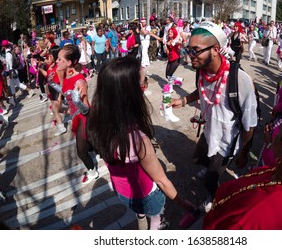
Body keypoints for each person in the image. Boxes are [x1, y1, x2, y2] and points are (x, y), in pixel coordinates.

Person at [87, 56, 196, 230]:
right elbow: (161, 181)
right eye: (143, 82)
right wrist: (183, 203)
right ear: (131, 93)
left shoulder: (96, 122)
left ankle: (140, 213)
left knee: (140, 210)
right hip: (146, 195)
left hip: (121, 191)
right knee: (155, 215)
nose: (145, 85)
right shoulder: (138, 140)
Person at [170, 21, 258, 205]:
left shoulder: (240, 80)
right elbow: (201, 90)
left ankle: (215, 199)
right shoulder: (201, 70)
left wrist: (243, 153)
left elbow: (249, 124)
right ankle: (209, 168)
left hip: (226, 140)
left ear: (216, 49)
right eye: (188, 50)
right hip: (210, 130)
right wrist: (183, 100)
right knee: (198, 157)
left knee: (210, 180)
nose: (189, 55)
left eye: (195, 50)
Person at [52, 44, 98, 184]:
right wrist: (54, 86)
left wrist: (77, 99)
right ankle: (99, 151)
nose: (57, 62)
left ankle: (92, 171)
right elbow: (65, 90)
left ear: (70, 62)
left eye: (60, 59)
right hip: (75, 118)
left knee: (81, 152)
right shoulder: (66, 75)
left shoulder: (80, 81)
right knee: (89, 142)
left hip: (83, 118)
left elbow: (85, 109)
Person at [38, 46, 66, 136]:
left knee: (55, 109)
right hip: (52, 90)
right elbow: (47, 75)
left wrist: (60, 96)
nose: (49, 56)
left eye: (50, 54)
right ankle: (77, 112)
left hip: (57, 90)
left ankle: (61, 127)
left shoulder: (59, 67)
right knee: (60, 109)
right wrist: (40, 68)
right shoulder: (52, 65)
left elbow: (62, 83)